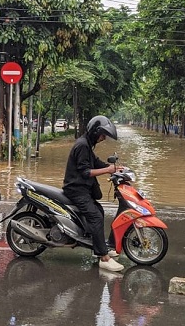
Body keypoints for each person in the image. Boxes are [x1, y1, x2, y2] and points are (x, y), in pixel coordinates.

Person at [63, 115, 125, 272]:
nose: (104, 138)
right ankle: (103, 258)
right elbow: (85, 172)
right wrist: (107, 170)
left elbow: (95, 162)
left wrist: (114, 168)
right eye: (103, 135)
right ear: (95, 132)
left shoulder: (87, 145)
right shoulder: (82, 145)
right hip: (76, 189)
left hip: (82, 189)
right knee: (95, 216)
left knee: (99, 210)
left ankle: (98, 246)